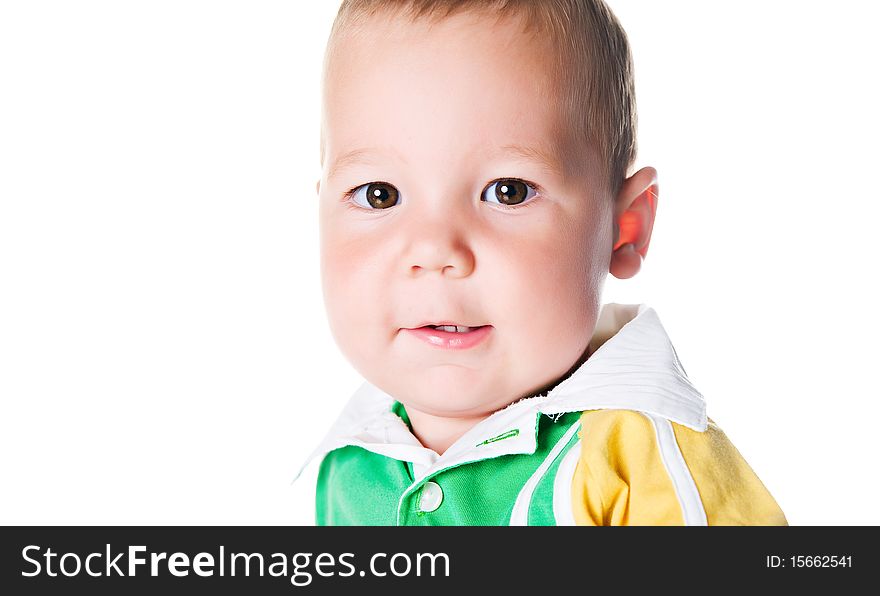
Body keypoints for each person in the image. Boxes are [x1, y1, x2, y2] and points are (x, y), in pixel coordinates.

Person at [295, 0, 787, 525]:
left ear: (625, 228)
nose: (435, 250)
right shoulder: (347, 461)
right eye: (379, 195)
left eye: (507, 192)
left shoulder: (636, 461)